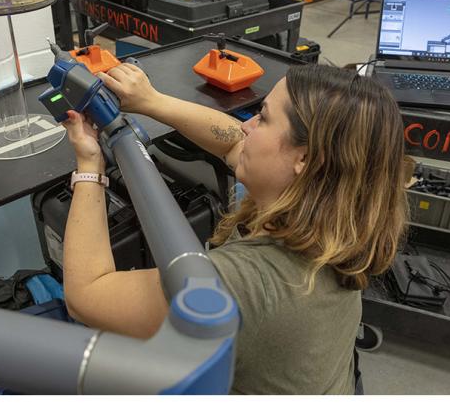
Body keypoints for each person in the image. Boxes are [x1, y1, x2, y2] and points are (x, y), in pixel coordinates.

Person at [58, 62, 409, 394]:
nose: (246, 124)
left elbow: (86, 294)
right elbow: (233, 143)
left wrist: (89, 165)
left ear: (305, 159)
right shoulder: (342, 218)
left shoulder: (245, 284)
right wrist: (152, 101)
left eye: (264, 118)